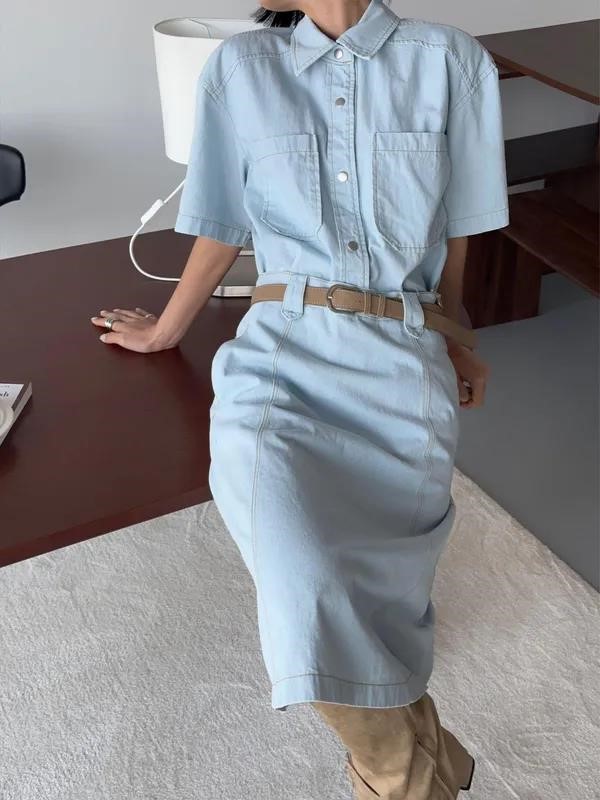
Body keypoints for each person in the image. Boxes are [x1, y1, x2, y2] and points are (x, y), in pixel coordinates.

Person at [90, 1, 509, 796]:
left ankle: (429, 749)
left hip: (402, 355)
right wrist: (167, 330)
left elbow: (460, 229)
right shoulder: (241, 69)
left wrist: (456, 336)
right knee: (304, 584)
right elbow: (221, 225)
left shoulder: (452, 63)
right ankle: (402, 778)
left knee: (379, 592)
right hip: (281, 355)